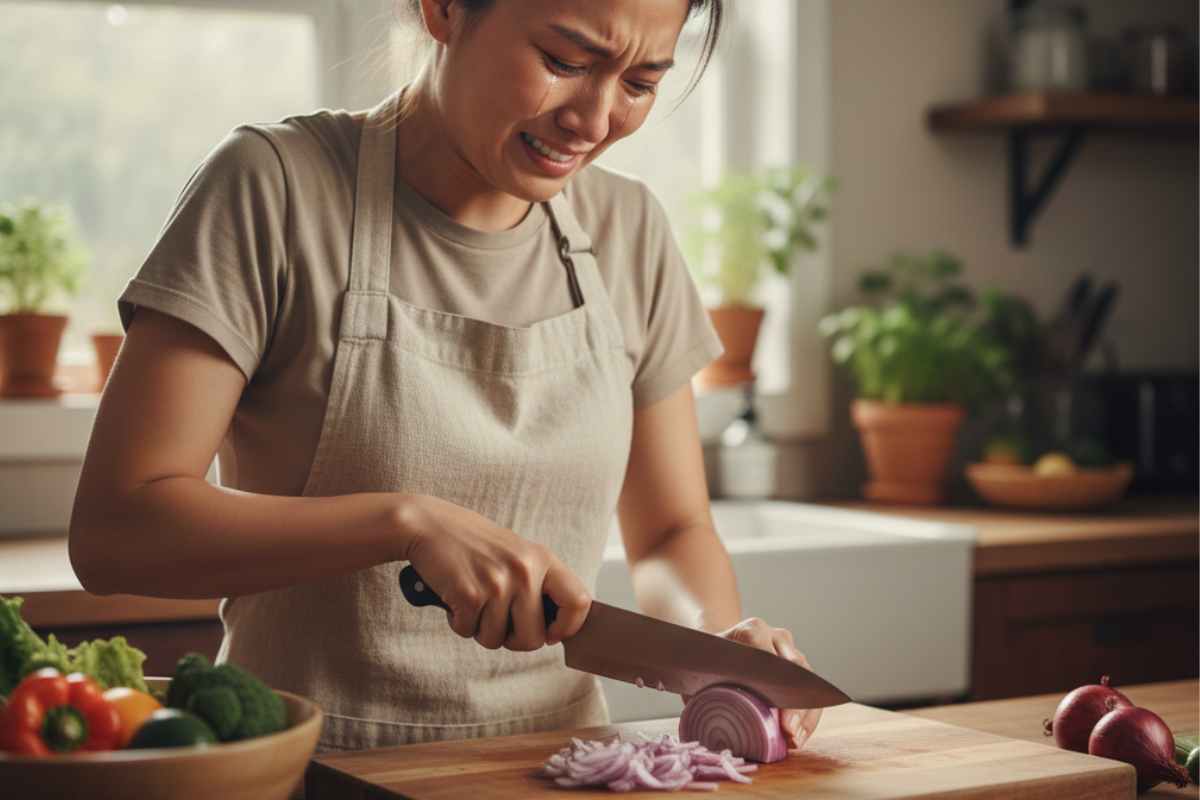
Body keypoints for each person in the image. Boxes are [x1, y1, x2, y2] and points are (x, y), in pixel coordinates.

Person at [69, 0, 823, 752]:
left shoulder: (630, 229)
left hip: (560, 764)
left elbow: (670, 530)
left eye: (639, 83)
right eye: (564, 62)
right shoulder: (273, 187)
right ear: (443, 10)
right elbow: (118, 532)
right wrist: (405, 523)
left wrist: (719, 650)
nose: (593, 120)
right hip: (314, 764)